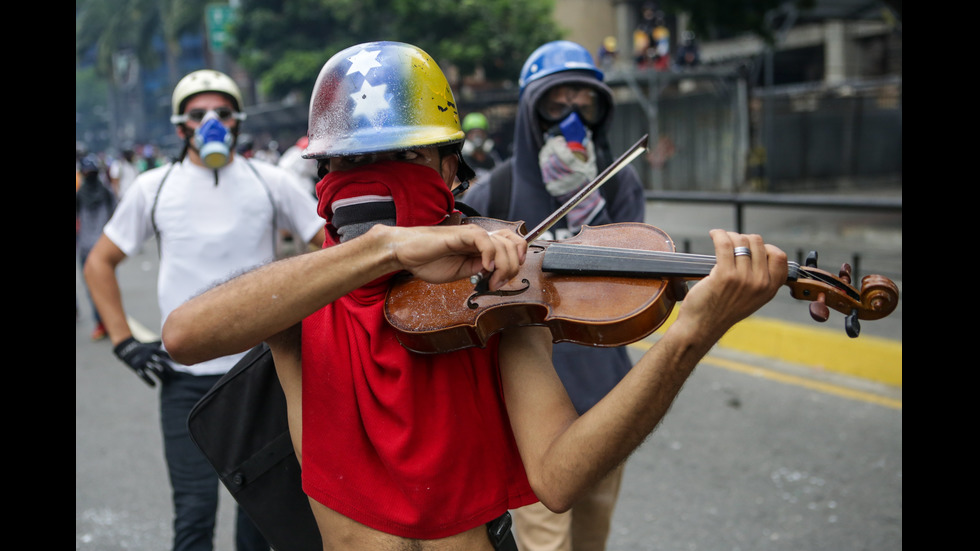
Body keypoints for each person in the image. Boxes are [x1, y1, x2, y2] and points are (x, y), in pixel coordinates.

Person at [160, 41, 788, 551]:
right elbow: (185, 335)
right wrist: (386, 247)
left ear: (449, 171)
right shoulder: (298, 298)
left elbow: (558, 478)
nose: (373, 180)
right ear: (322, 178)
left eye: (404, 156)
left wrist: (687, 338)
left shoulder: (500, 290)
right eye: (350, 163)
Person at [83, 68, 326, 551]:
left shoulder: (270, 181)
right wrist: (124, 341)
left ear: (237, 121)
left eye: (222, 112)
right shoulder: (154, 187)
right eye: (198, 115)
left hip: (260, 376)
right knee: (193, 517)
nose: (211, 122)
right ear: (180, 127)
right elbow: (99, 262)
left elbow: (328, 245)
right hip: (183, 383)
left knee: (262, 521)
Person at [460, 39, 645, 551]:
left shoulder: (618, 182)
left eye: (583, 102)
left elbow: (633, 288)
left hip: (604, 393)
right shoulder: (492, 191)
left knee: (592, 537)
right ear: (529, 111)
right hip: (525, 405)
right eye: (555, 102)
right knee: (546, 544)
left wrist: (592, 220)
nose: (571, 116)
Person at [77, 154, 117, 340]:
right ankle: (103, 322)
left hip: (98, 247)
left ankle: (105, 323)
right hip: (95, 247)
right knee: (98, 286)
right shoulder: (99, 193)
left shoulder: (105, 193)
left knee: (98, 287)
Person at [460, 112, 502, 186]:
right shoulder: (461, 161)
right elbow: (453, 187)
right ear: (466, 136)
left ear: (486, 134)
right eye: (472, 133)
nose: (477, 137)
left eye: (480, 133)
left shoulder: (493, 159)